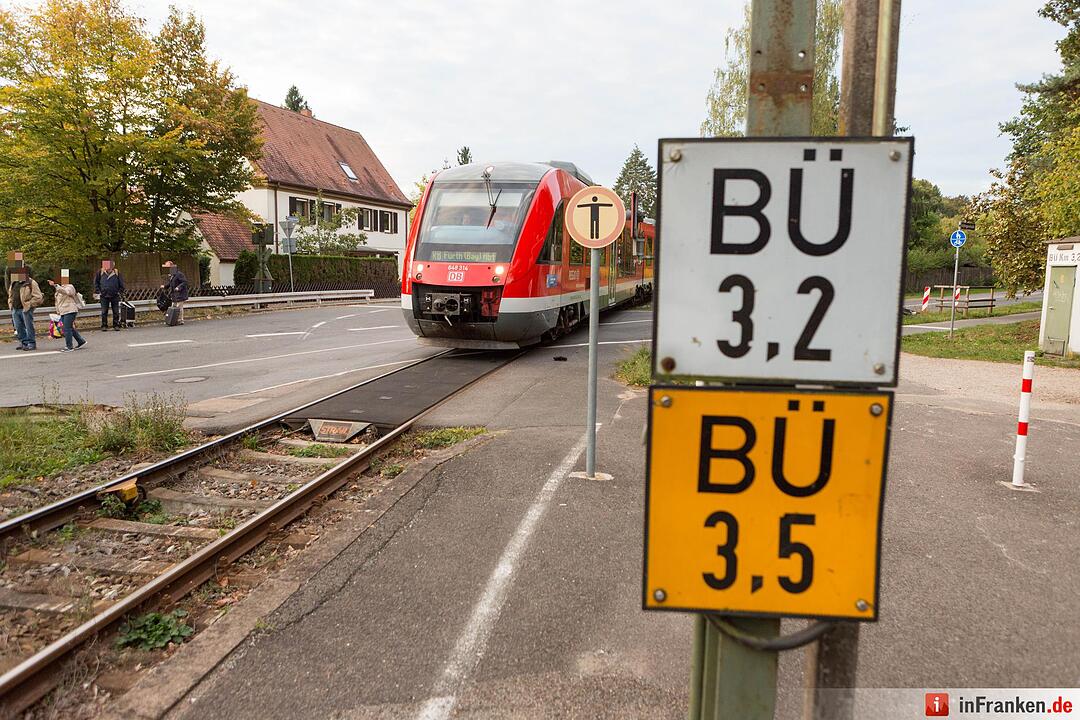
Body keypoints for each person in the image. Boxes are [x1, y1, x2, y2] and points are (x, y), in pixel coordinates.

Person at [7, 267, 43, 351]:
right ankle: (24, 342)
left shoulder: (31, 282)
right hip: (15, 309)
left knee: (28, 326)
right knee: (18, 327)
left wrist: (29, 304)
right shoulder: (14, 283)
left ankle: (31, 343)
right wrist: (10, 305)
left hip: (25, 309)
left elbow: (38, 297)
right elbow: (10, 294)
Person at [48, 278, 86, 352]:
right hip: (63, 311)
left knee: (67, 328)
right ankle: (81, 341)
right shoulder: (59, 288)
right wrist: (58, 311)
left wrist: (55, 286)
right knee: (69, 327)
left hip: (70, 310)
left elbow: (67, 292)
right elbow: (58, 302)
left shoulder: (70, 287)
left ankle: (69, 346)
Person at [93, 260, 125, 331]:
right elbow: (96, 283)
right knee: (104, 311)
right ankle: (104, 325)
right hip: (104, 296)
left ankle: (116, 325)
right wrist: (99, 292)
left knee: (116, 311)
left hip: (115, 296)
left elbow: (122, 284)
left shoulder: (117, 273)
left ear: (112, 266)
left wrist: (119, 292)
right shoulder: (100, 272)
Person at [161, 260, 189, 325]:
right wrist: (165, 286)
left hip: (180, 294)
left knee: (179, 307)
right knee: (173, 306)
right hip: (174, 294)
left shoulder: (179, 274)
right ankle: (173, 320)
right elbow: (170, 284)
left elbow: (184, 282)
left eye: (168, 266)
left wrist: (178, 287)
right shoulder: (172, 275)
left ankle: (181, 320)